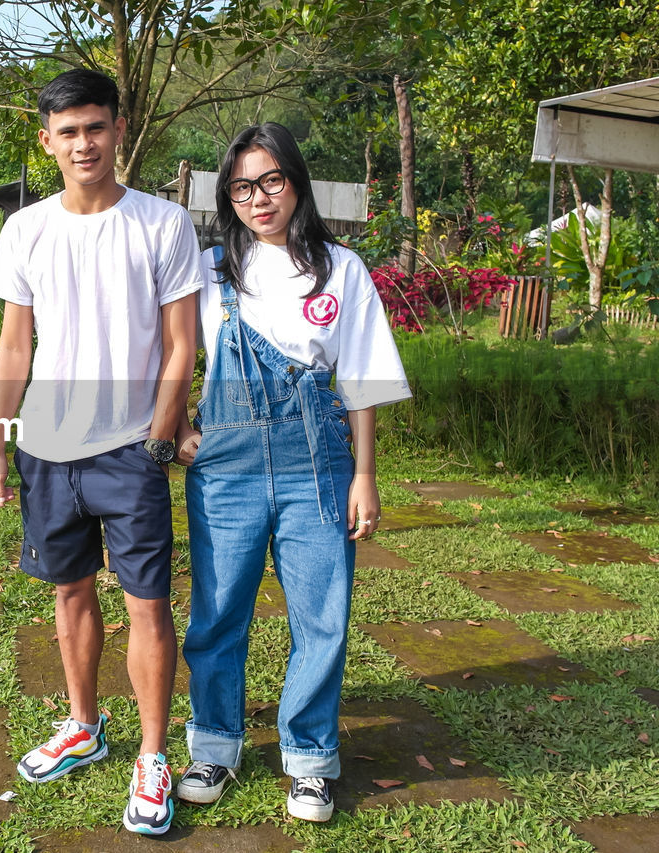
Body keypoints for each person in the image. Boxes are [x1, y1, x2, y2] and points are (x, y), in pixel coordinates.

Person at [0, 68, 201, 836]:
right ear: (47, 142)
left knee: (147, 602)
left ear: (117, 130)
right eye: (67, 131)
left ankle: (150, 753)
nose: (83, 143)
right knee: (67, 593)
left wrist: (160, 437)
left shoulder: (163, 224)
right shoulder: (26, 229)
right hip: (44, 449)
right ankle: (82, 722)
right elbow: (15, 344)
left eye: (95, 128)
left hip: (129, 450)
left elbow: (182, 345)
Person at [172, 122, 410, 822]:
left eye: (271, 180)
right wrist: (179, 429)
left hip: (320, 462)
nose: (259, 197)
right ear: (227, 196)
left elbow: (362, 379)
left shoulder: (343, 269)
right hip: (227, 468)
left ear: (297, 182)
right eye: (243, 186)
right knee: (218, 612)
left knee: (322, 615)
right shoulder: (210, 270)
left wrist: (364, 474)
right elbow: (174, 354)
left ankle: (308, 759)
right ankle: (214, 744)